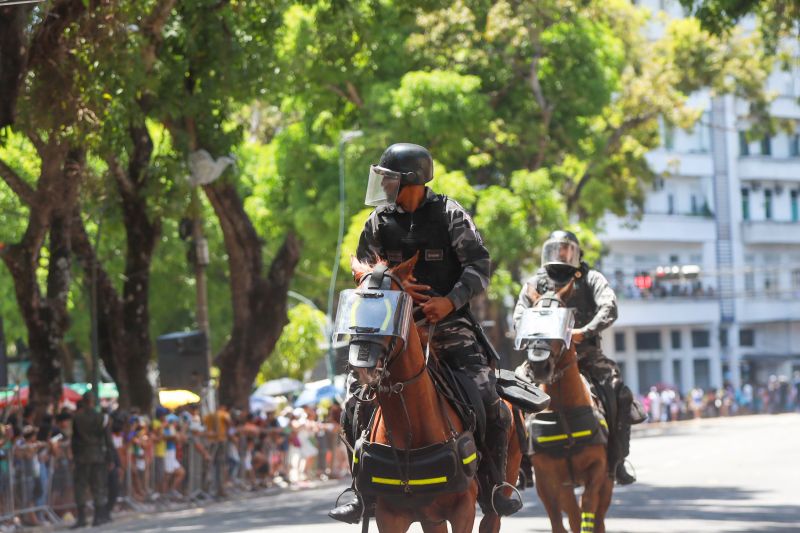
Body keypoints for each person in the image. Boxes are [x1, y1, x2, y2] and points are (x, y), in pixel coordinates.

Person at [329, 143, 521, 523]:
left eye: (390, 179)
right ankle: (360, 492)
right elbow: (366, 274)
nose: (384, 185)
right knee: (354, 403)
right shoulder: (378, 222)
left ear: (412, 180)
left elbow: (479, 265)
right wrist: (391, 281)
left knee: (490, 401)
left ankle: (496, 486)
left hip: (448, 326)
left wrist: (449, 302)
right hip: (392, 331)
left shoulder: (449, 213)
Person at [513, 230, 641, 485]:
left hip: (585, 353)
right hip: (545, 355)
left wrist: (585, 331)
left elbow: (609, 307)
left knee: (616, 389)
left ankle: (617, 458)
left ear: (576, 253)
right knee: (514, 392)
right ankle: (522, 465)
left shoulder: (591, 278)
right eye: (556, 249)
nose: (561, 254)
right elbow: (519, 316)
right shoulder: (534, 283)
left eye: (566, 249)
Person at [70, 393, 110, 528]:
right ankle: (97, 517)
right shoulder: (101, 417)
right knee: (97, 485)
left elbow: (74, 440)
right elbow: (107, 439)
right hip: (98, 455)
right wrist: (109, 457)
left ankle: (82, 518)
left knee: (81, 487)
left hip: (82, 456)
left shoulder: (77, 418)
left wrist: (75, 457)